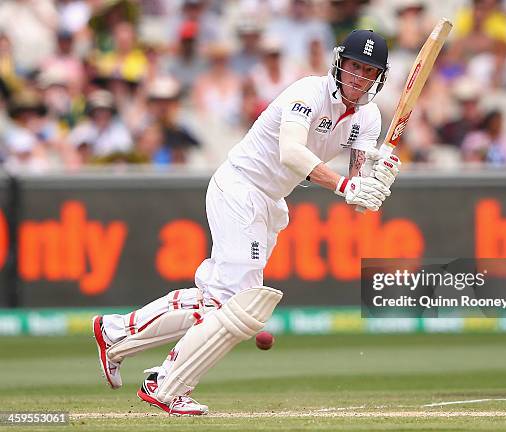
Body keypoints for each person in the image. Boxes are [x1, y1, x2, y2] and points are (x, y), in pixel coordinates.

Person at [92, 29, 401, 415]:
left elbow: (356, 187)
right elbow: (292, 153)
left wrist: (376, 177)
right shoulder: (308, 93)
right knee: (237, 303)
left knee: (215, 301)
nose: (358, 76)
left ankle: (117, 332)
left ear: (378, 77)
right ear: (340, 63)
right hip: (240, 187)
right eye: (354, 65)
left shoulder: (369, 118)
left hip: (270, 201)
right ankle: (165, 384)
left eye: (368, 70)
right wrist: (345, 185)